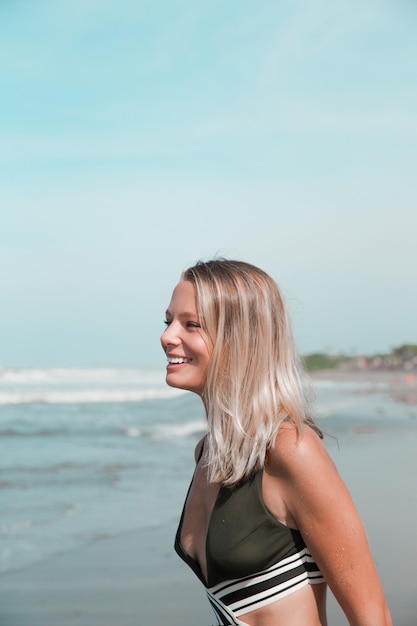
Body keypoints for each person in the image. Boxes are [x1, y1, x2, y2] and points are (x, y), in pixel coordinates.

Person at [160, 259, 392, 626]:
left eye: (192, 324)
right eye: (168, 320)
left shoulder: (289, 449)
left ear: (241, 338)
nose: (168, 336)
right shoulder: (207, 452)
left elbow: (372, 617)